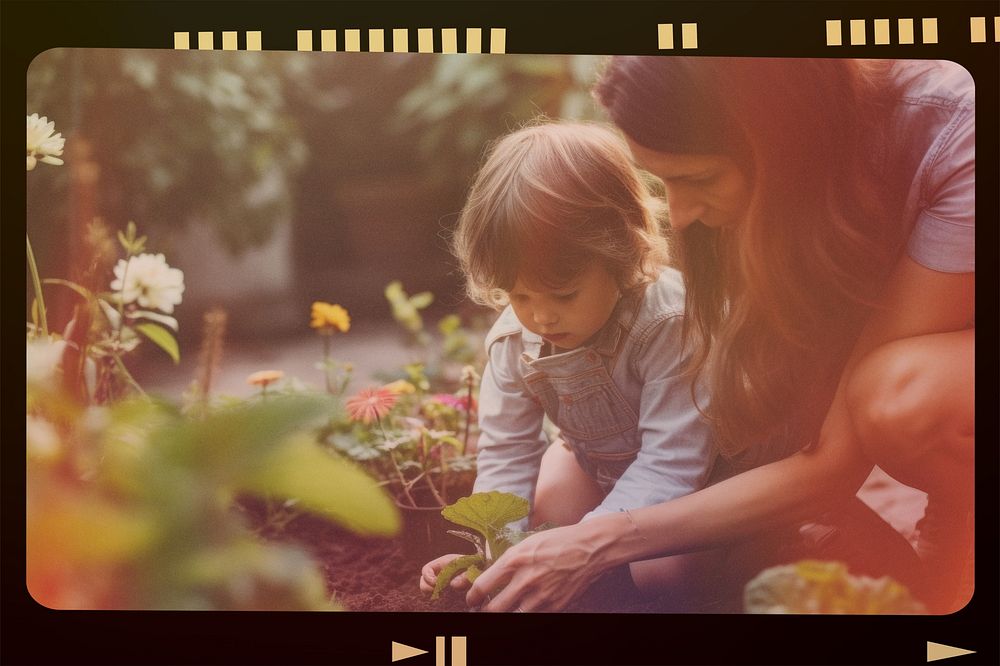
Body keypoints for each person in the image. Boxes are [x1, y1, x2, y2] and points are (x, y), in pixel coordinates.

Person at [445, 57, 974, 614]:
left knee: (898, 401)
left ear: (776, 135)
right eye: (663, 179)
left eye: (697, 179)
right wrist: (503, 549)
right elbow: (508, 450)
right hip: (683, 475)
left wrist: (594, 542)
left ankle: (949, 530)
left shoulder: (953, 127)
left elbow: (834, 459)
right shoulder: (519, 339)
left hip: (944, 375)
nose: (676, 215)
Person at [418, 122, 721, 599]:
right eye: (519, 294)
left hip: (700, 482)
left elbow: (672, 465)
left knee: (662, 575)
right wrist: (489, 556)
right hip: (600, 463)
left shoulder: (668, 321)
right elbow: (506, 454)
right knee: (544, 514)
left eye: (564, 294)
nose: (540, 316)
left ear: (621, 252)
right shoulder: (514, 341)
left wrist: (585, 546)